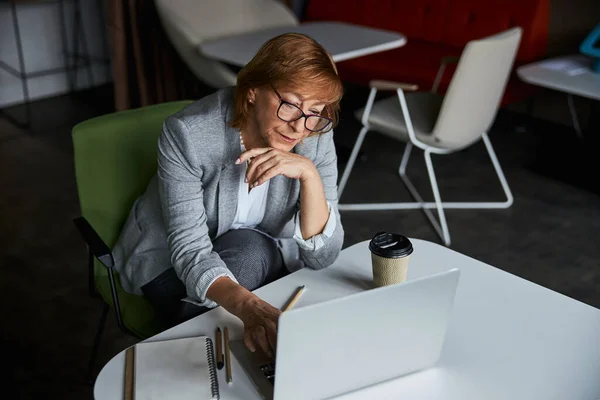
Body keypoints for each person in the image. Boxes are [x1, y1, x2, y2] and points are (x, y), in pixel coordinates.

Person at [112, 33, 344, 358]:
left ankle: (202, 359)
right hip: (169, 263)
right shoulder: (188, 135)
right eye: (290, 104)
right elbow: (190, 252)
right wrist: (249, 307)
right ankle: (195, 357)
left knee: (271, 281)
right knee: (256, 258)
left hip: (256, 257)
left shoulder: (314, 133)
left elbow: (323, 256)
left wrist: (309, 173)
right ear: (252, 91)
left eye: (315, 111)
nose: (298, 128)